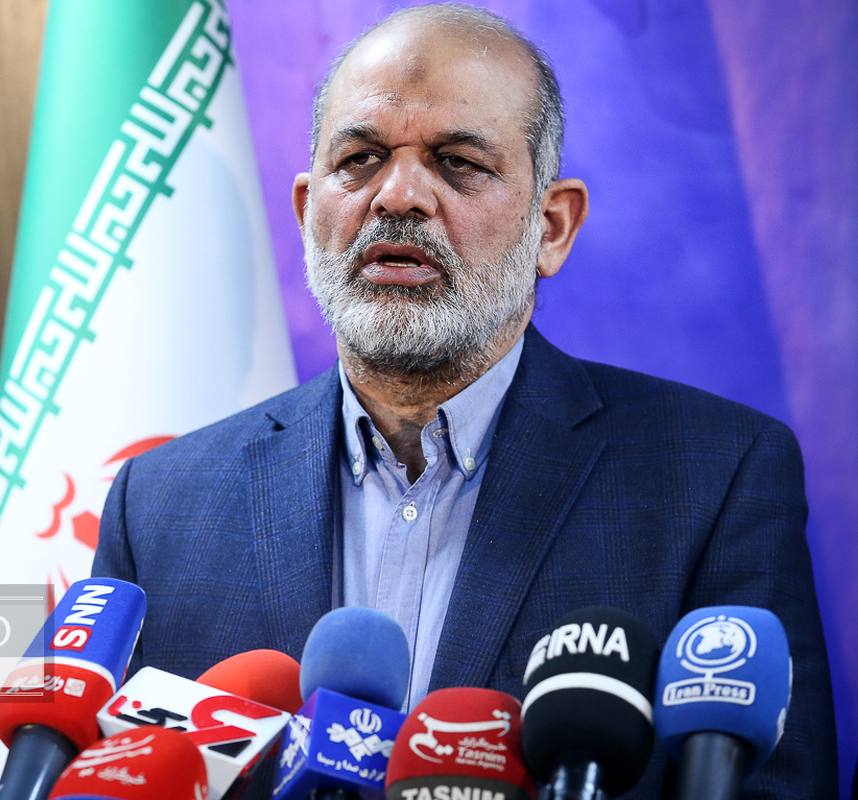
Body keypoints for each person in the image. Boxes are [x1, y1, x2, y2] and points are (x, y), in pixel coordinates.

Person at [92, 4, 837, 797]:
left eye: (457, 162)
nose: (398, 196)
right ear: (309, 212)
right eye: (361, 159)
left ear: (552, 227)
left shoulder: (714, 477)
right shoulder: (161, 503)